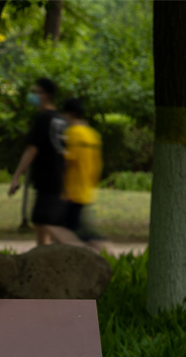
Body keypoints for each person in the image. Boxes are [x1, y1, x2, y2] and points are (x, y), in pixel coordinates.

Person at [8, 77, 68, 246]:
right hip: (59, 178)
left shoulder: (43, 119)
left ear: (46, 95)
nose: (34, 96)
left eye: (37, 92)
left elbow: (31, 150)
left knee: (46, 222)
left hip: (47, 179)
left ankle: (77, 250)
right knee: (41, 222)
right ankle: (45, 256)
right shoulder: (61, 120)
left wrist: (16, 176)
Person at [60, 97, 105, 248]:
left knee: (68, 230)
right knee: (77, 227)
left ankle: (103, 248)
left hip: (72, 190)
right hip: (86, 188)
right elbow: (97, 164)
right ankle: (101, 247)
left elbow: (67, 161)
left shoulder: (72, 133)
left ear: (69, 114)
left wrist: (62, 187)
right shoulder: (92, 135)